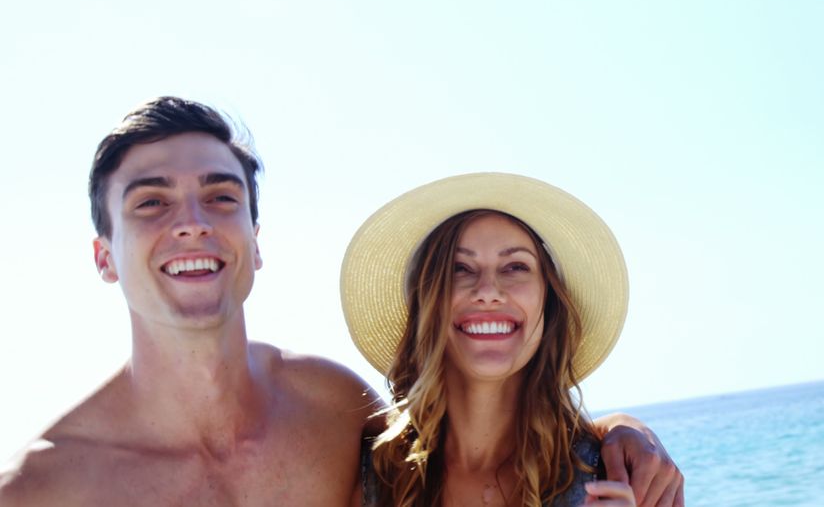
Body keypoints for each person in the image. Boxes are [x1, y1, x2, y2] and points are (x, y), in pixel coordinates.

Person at [0, 97, 682, 506]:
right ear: (102, 257)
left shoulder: (331, 410)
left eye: (220, 197)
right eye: (150, 201)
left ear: (255, 242)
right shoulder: (41, 488)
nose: (191, 223)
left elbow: (464, 430)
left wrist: (620, 434)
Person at [340, 173, 684, 506]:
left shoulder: (617, 475)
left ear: (547, 302)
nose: (488, 291)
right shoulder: (370, 476)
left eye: (515, 267)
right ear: (426, 302)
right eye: (460, 268)